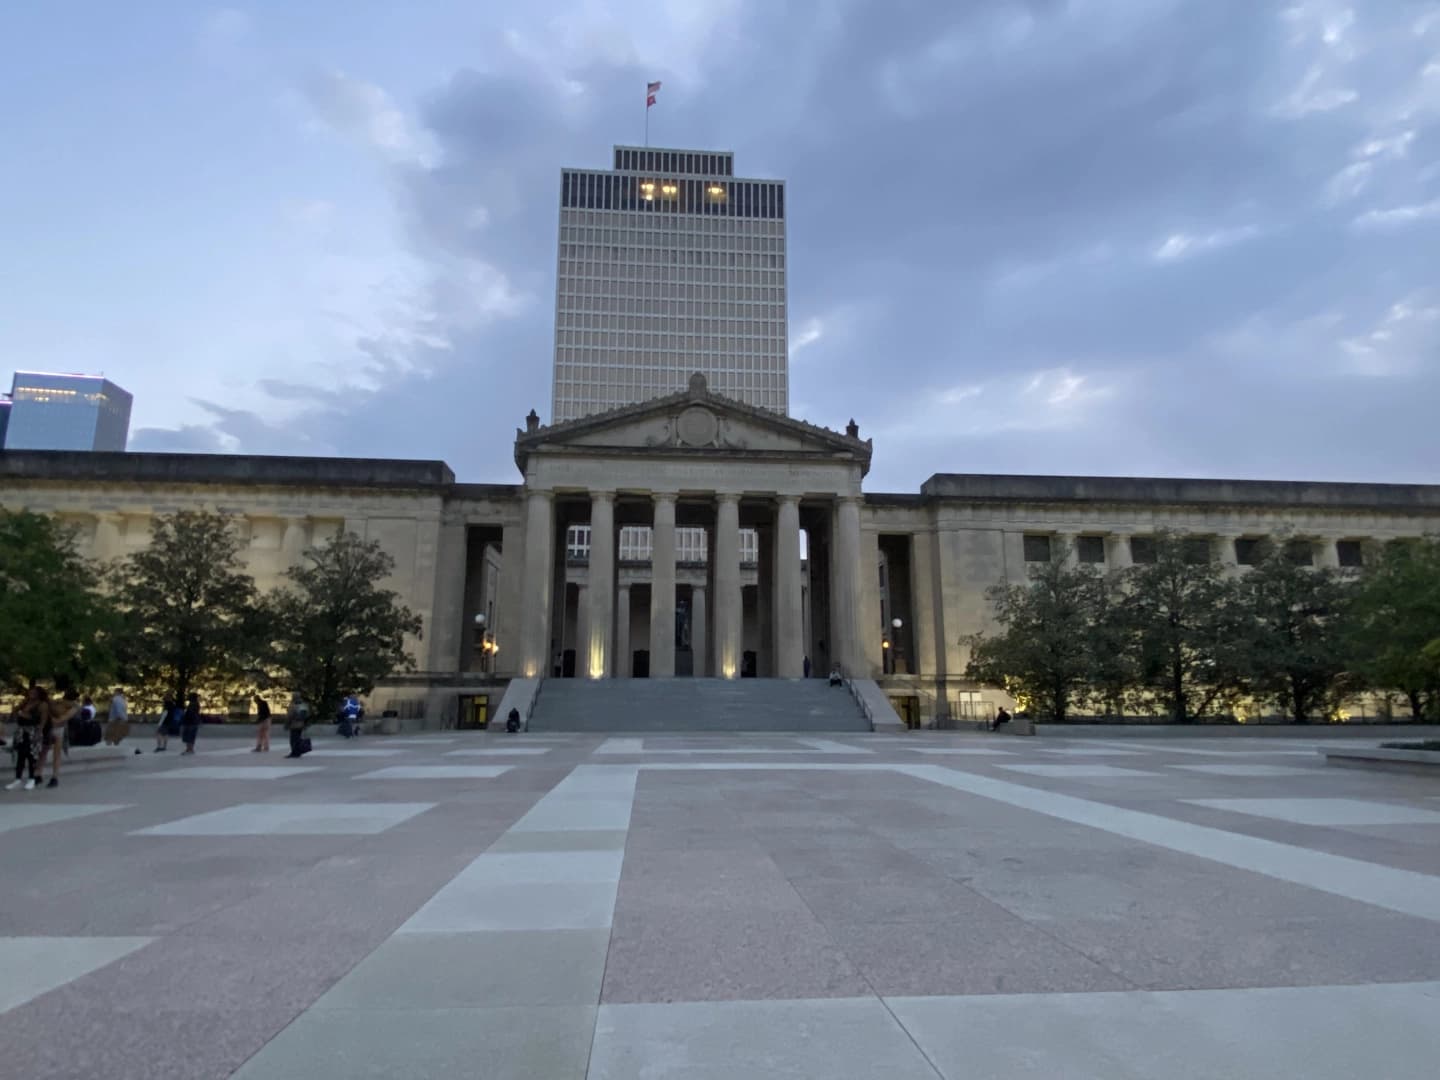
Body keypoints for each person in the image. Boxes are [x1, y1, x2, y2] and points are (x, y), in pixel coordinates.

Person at [7, 686, 47, 790]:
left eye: (34, 692)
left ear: (39, 694)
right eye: (30, 692)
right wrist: (21, 706)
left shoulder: (42, 705)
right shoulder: (26, 703)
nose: (31, 694)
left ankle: (32, 779)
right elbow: (15, 711)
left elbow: (42, 721)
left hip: (33, 732)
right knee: (21, 756)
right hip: (21, 731)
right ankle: (17, 779)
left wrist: (38, 734)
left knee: (31, 756)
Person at [45, 689, 81, 788]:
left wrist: (50, 718)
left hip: (58, 728)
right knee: (47, 753)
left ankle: (54, 776)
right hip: (53, 728)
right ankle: (47, 775)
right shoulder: (59, 703)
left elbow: (62, 718)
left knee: (55, 754)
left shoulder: (73, 706)